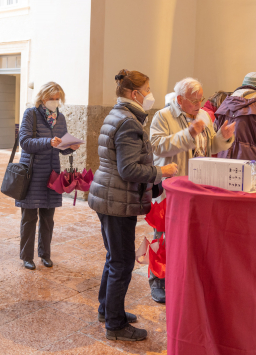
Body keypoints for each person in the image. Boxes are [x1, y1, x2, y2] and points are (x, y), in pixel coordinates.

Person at [88, 69, 179, 342]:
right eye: (147, 88)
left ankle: (108, 310)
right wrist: (161, 172)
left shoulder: (120, 115)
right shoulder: (128, 121)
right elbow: (128, 169)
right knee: (122, 262)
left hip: (110, 195)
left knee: (114, 258)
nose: (151, 93)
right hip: (117, 199)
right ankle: (115, 325)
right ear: (134, 93)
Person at [148, 78, 235, 303]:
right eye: (194, 100)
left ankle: (182, 279)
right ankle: (158, 281)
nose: (199, 104)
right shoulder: (163, 117)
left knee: (190, 235)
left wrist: (222, 138)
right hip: (172, 186)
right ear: (179, 100)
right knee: (164, 235)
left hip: (196, 186)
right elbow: (157, 146)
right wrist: (189, 133)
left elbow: (207, 147)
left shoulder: (200, 117)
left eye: (201, 100)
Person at [16, 82, 80, 270]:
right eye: (51, 98)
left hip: (52, 174)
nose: (54, 102)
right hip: (32, 173)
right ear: (42, 98)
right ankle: (27, 256)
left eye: (57, 98)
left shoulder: (60, 118)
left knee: (48, 218)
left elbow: (60, 147)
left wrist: (69, 147)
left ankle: (45, 254)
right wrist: (48, 142)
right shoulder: (31, 114)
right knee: (29, 218)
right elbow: (25, 142)